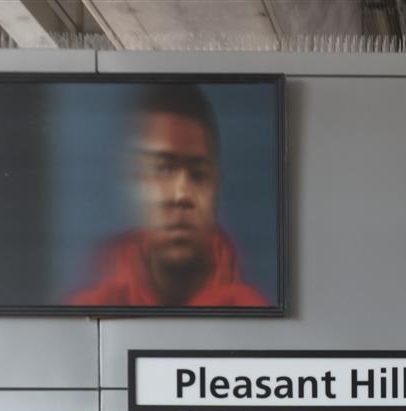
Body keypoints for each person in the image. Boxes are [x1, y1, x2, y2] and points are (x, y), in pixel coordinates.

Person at [68, 84, 271, 308]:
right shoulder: (91, 307)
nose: (181, 194)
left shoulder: (253, 311)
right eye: (163, 169)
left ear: (217, 186)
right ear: (132, 181)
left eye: (199, 175)